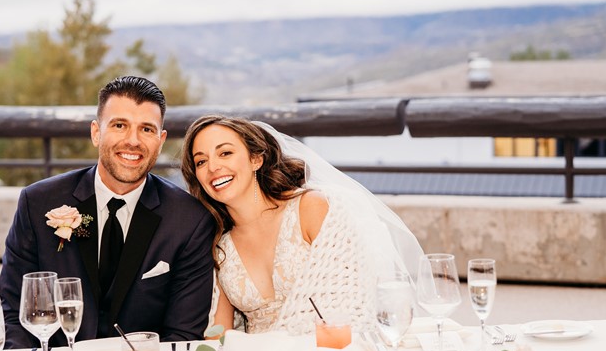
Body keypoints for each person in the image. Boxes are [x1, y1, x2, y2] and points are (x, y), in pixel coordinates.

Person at [0, 76, 216, 349]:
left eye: (147, 129)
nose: (133, 141)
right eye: (119, 125)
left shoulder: (190, 221)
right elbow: (15, 311)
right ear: (96, 133)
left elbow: (183, 335)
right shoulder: (38, 202)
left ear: (160, 141)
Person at [181, 115, 424, 335]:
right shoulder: (218, 245)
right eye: (201, 162)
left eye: (225, 153)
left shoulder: (311, 208)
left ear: (256, 159)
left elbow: (351, 303)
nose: (213, 168)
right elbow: (221, 335)